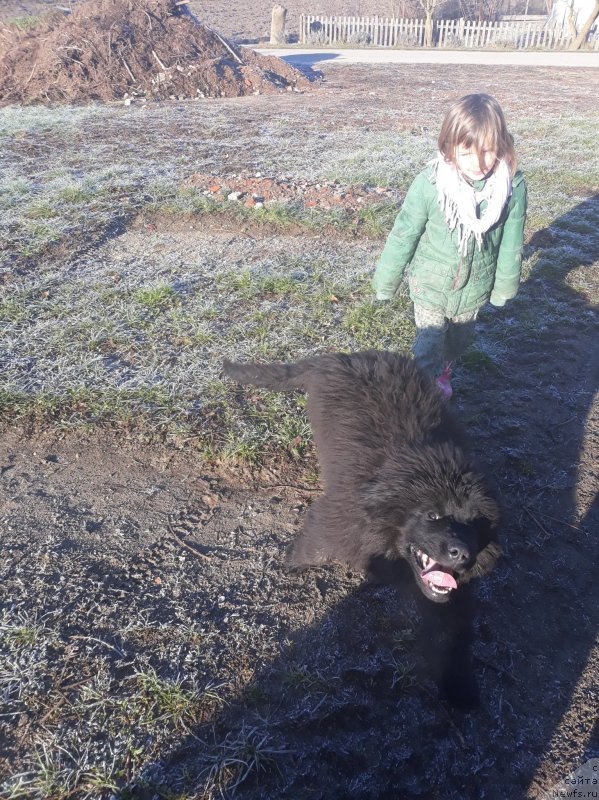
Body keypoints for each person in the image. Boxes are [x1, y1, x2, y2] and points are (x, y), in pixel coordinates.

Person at [372, 93, 527, 399]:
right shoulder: (431, 184)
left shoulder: (510, 188)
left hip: (473, 289)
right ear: (448, 145)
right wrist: (386, 280)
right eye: (467, 152)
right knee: (428, 344)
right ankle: (421, 395)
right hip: (431, 284)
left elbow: (512, 242)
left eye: (487, 151)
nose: (478, 163)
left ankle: (445, 368)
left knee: (458, 340)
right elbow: (404, 234)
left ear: (501, 144)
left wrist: (504, 287)